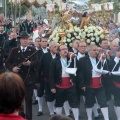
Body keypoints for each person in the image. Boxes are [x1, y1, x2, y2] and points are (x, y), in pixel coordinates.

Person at [5, 31, 38, 120]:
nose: (25, 40)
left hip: (29, 78)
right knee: (18, 101)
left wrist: (30, 63)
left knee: (28, 100)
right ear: (20, 40)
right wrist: (13, 69)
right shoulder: (14, 50)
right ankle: (20, 117)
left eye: (26, 39)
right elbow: (7, 63)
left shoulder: (33, 50)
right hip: (18, 79)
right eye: (23, 39)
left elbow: (36, 62)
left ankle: (29, 118)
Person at [79, 45, 109, 120]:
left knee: (103, 102)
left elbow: (106, 69)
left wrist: (102, 61)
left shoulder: (99, 58)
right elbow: (80, 73)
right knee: (89, 103)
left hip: (99, 84)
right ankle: (89, 118)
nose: (96, 52)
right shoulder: (83, 60)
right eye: (94, 50)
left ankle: (106, 118)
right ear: (89, 51)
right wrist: (82, 84)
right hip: (89, 84)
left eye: (97, 50)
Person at [49, 45, 79, 120]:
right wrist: (52, 86)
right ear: (59, 52)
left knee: (74, 103)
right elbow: (51, 74)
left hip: (70, 84)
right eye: (63, 49)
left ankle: (76, 118)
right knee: (59, 103)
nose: (65, 50)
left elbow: (78, 68)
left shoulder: (72, 59)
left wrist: (74, 58)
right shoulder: (55, 60)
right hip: (59, 85)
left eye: (66, 49)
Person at [37, 41, 58, 116]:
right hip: (46, 79)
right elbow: (40, 68)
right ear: (50, 48)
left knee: (56, 95)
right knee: (47, 95)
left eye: (57, 47)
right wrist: (38, 80)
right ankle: (50, 111)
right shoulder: (45, 56)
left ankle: (55, 109)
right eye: (55, 47)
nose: (56, 48)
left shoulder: (58, 56)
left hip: (57, 79)